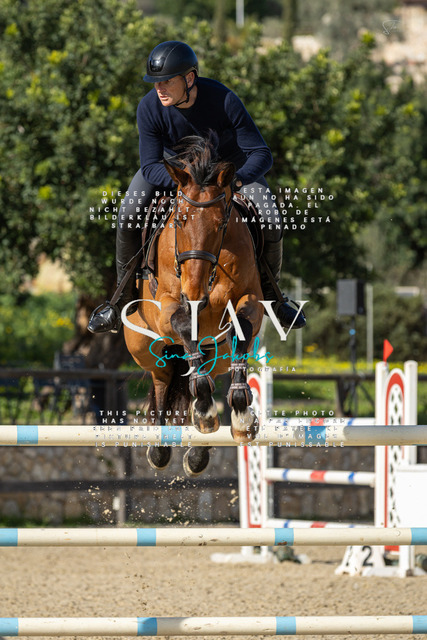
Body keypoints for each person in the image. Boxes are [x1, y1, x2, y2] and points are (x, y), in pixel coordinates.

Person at [88, 40, 306, 334]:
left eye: (167, 81)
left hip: (227, 170)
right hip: (174, 172)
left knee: (269, 214)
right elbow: (150, 166)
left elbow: (261, 153)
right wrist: (187, 185)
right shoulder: (148, 107)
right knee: (128, 212)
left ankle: (274, 297)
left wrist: (235, 181)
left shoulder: (224, 100)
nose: (159, 88)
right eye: (156, 82)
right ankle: (120, 302)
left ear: (189, 78)